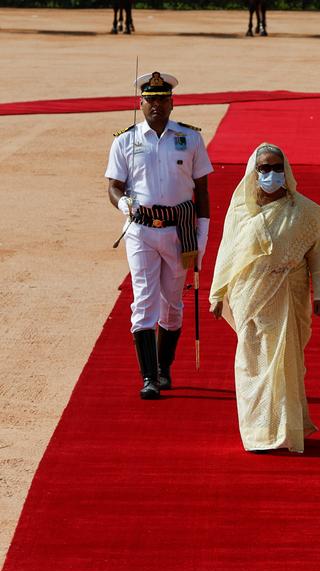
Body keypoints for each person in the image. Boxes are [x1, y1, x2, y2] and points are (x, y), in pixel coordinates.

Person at [208, 144, 320, 454]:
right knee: (252, 364)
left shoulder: (302, 211)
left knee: (283, 364)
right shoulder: (241, 208)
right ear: (254, 173)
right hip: (249, 298)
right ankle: (256, 432)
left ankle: (285, 431)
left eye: (276, 167)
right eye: (264, 168)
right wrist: (217, 293)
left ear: (286, 170)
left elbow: (316, 258)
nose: (271, 174)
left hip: (289, 298)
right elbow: (227, 252)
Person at [105, 71, 212, 400]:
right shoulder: (126, 140)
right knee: (144, 301)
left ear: (172, 102)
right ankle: (149, 377)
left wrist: (202, 236)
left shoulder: (190, 139)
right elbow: (113, 185)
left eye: (162, 99)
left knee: (173, 304)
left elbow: (203, 192)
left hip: (180, 232)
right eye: (150, 99)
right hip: (140, 230)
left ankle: (165, 369)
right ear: (141, 103)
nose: (156, 105)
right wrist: (123, 203)